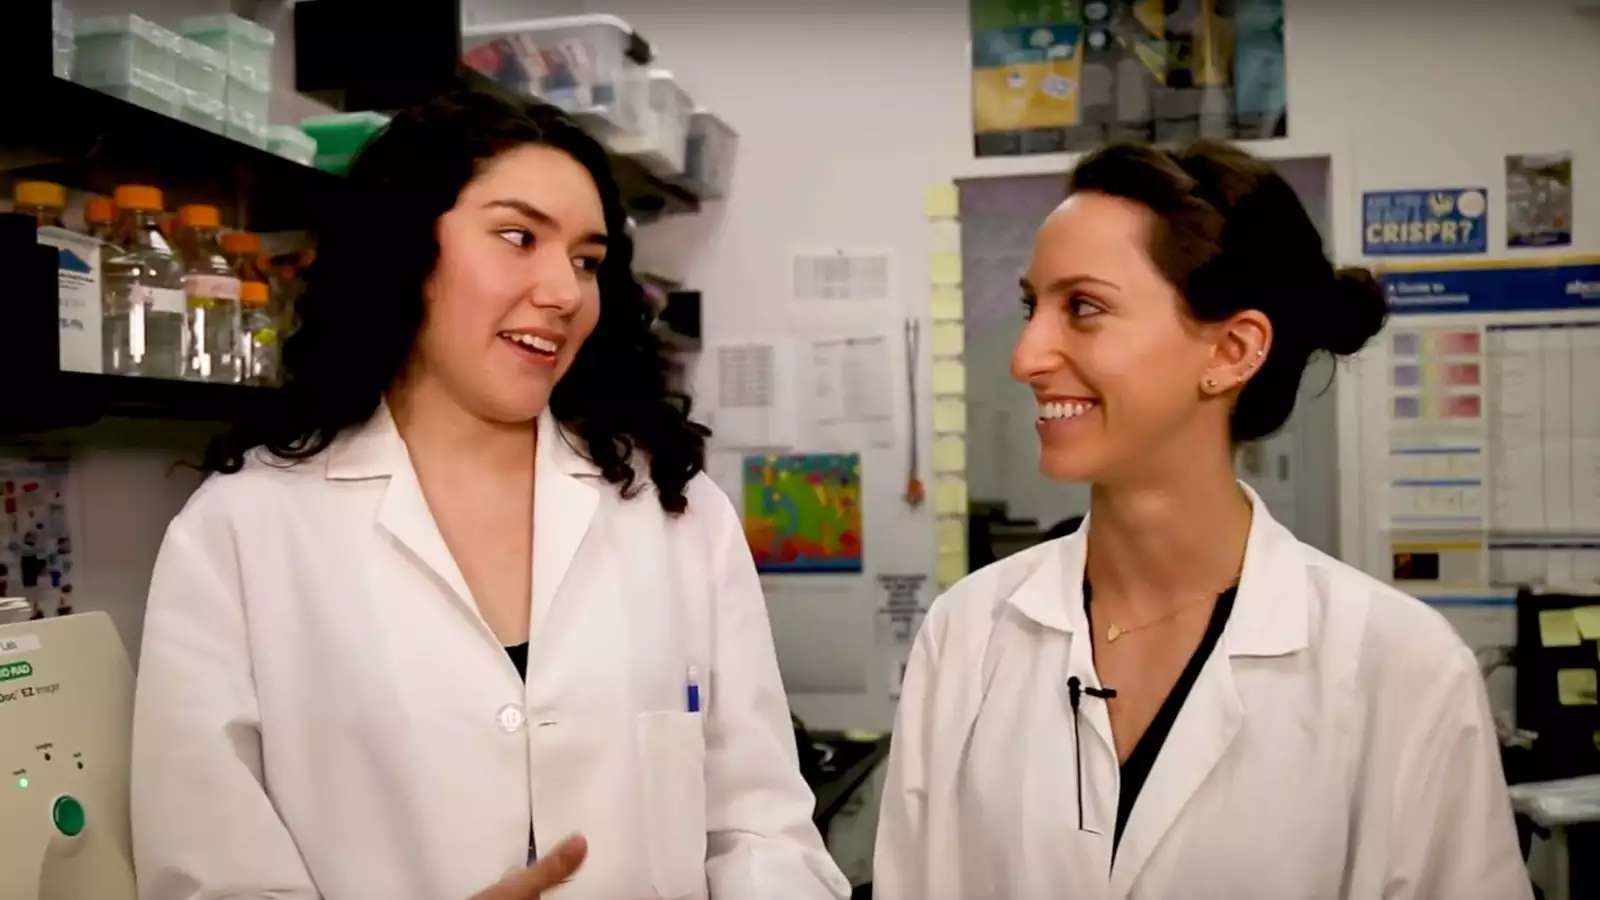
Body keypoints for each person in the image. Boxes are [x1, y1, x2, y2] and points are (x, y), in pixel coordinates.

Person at [131, 91, 849, 900]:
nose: (566, 292)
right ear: (406, 249)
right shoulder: (244, 528)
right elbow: (207, 872)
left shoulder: (674, 511)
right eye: (519, 237)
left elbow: (760, 826)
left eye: (586, 259)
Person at [874, 141, 1530, 899]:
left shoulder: (1401, 668)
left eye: (1082, 307)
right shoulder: (967, 635)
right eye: (1033, 306)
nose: (1026, 355)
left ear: (1232, 348)